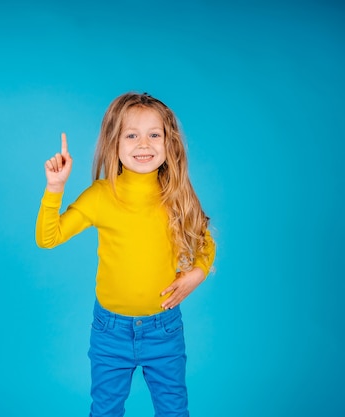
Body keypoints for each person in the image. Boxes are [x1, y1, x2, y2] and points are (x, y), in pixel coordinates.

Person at [35, 92, 216, 417]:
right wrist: (55, 188)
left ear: (169, 142)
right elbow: (49, 237)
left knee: (174, 411)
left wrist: (198, 272)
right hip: (110, 332)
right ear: (113, 143)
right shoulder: (102, 195)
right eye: (131, 135)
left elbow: (204, 241)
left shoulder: (175, 194)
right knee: (105, 412)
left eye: (154, 134)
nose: (143, 144)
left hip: (164, 330)